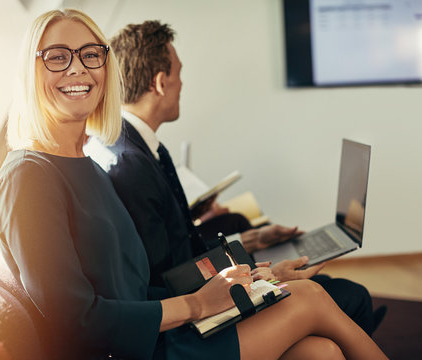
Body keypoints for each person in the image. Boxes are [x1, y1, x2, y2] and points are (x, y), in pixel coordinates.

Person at [0, 8, 388, 359]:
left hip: (153, 334)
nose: (77, 69)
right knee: (310, 298)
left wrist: (244, 285)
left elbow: (133, 290)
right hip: (126, 350)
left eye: (90, 54)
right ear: (31, 70)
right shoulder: (29, 176)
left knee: (321, 352)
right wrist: (196, 305)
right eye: (57, 57)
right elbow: (75, 320)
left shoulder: (87, 165)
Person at [86, 20, 381, 335]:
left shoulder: (126, 143)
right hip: (195, 312)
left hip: (199, 289)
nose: (182, 84)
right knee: (352, 296)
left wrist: (252, 246)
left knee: (332, 290)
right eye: (179, 73)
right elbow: (167, 278)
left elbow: (175, 247)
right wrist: (262, 275)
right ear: (160, 82)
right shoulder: (133, 164)